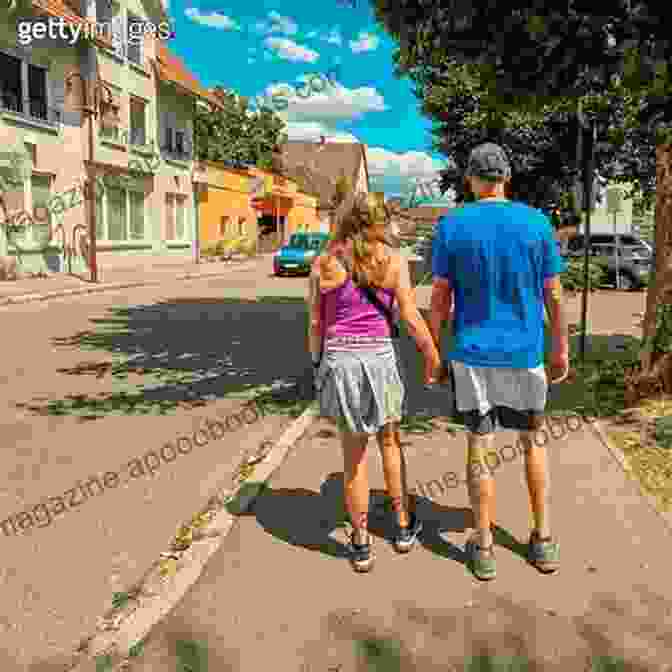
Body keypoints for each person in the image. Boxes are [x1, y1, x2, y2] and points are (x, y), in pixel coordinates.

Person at [428, 143, 569, 580]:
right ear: (506, 177)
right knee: (532, 441)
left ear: (471, 179)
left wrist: (434, 350)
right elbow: (554, 293)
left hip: (472, 355)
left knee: (480, 444)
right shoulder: (536, 223)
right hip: (525, 353)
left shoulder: (452, 224)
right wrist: (560, 347)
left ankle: (484, 545)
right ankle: (542, 539)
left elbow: (439, 298)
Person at [307, 190, 441, 572]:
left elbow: (316, 323)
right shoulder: (394, 261)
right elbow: (411, 317)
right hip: (379, 357)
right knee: (390, 442)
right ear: (381, 222)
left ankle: (361, 541)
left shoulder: (324, 263)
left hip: (341, 359)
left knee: (354, 456)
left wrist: (317, 363)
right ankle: (401, 527)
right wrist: (432, 357)